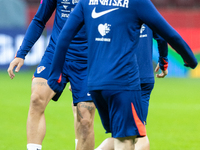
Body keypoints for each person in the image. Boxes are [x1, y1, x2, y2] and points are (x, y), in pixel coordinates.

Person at [47, 0, 197, 149]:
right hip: (123, 84)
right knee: (126, 140)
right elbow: (169, 34)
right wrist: (190, 59)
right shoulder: (137, 2)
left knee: (118, 136)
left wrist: (55, 76)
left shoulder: (86, 2)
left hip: (95, 84)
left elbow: (64, 37)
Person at [7, 0, 96, 150]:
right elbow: (39, 19)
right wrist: (21, 53)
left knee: (85, 119)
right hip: (56, 53)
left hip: (87, 59)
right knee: (36, 98)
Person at [94, 24, 168, 150]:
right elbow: (162, 36)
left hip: (121, 77)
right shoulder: (146, 7)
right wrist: (163, 62)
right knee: (134, 135)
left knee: (130, 134)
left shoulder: (116, 10)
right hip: (140, 77)